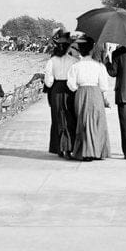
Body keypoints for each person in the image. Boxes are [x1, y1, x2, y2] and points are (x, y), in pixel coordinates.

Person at [66, 36, 111, 161]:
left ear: (80, 51)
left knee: (83, 121)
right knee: (98, 122)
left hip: (81, 93)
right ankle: (97, 151)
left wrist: (80, 88)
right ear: (92, 50)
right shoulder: (99, 66)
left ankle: (85, 151)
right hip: (95, 93)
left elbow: (71, 85)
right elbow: (104, 86)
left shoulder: (75, 66)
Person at [43, 29, 79, 157]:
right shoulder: (74, 61)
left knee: (57, 119)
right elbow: (76, 81)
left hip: (56, 90)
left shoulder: (52, 61)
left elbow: (48, 82)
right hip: (70, 91)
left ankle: (59, 148)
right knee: (70, 118)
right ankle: (69, 147)